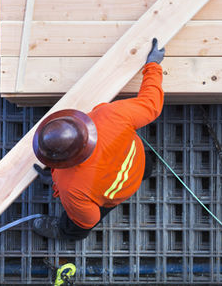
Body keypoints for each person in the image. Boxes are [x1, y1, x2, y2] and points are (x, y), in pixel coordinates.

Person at [31, 38, 165, 240]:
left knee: (78, 224)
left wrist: (58, 185)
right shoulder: (111, 115)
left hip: (114, 195)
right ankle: (147, 170)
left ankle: (64, 232)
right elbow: (151, 103)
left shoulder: (70, 186)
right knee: (145, 164)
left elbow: (89, 218)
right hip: (137, 167)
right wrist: (153, 66)